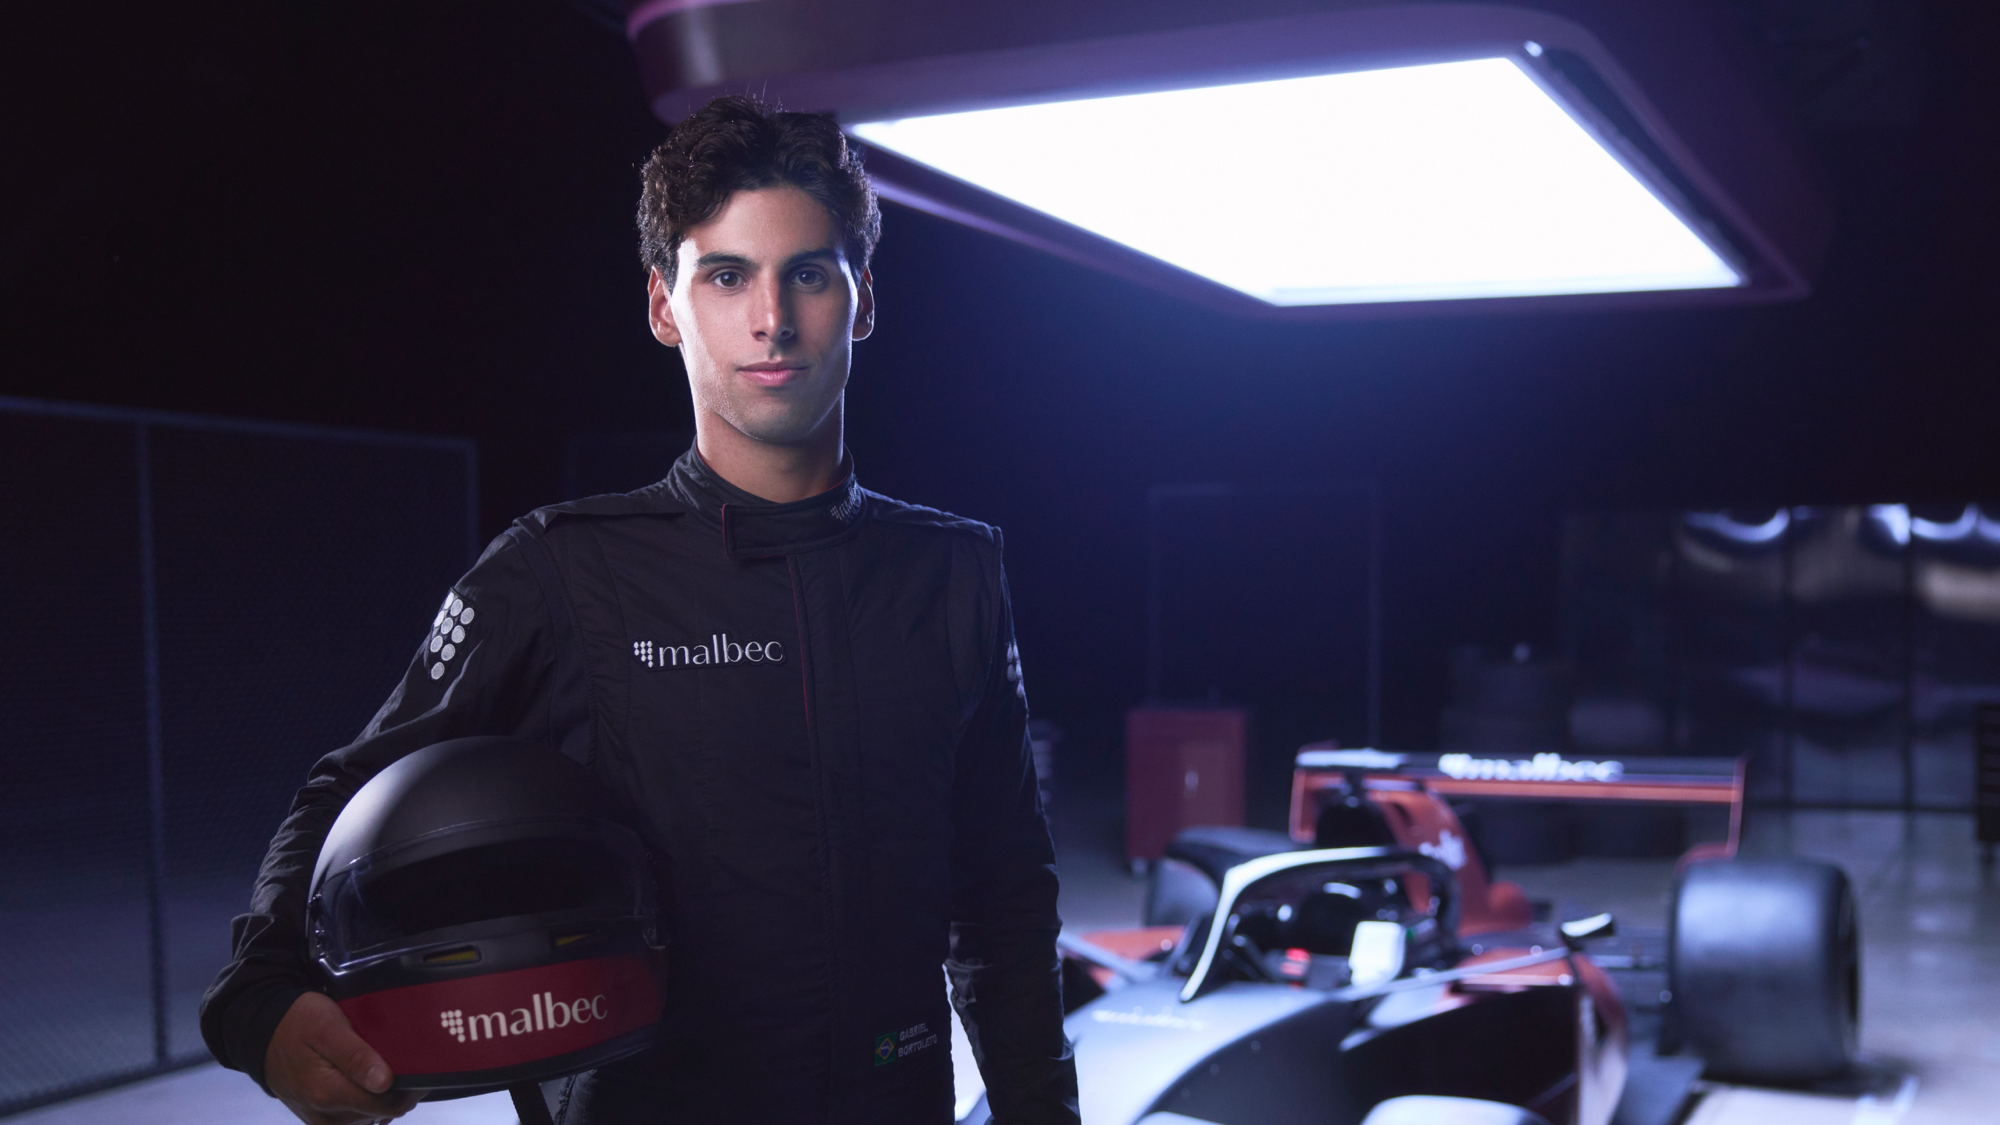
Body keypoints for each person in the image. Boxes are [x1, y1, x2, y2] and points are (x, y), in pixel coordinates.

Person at [198, 95, 1080, 1125]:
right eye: (726, 276)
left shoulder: (952, 573)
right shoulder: (562, 571)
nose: (772, 318)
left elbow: (1004, 895)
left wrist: (1041, 1111)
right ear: (665, 307)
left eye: (807, 273)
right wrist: (259, 1001)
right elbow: (354, 785)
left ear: (863, 300)